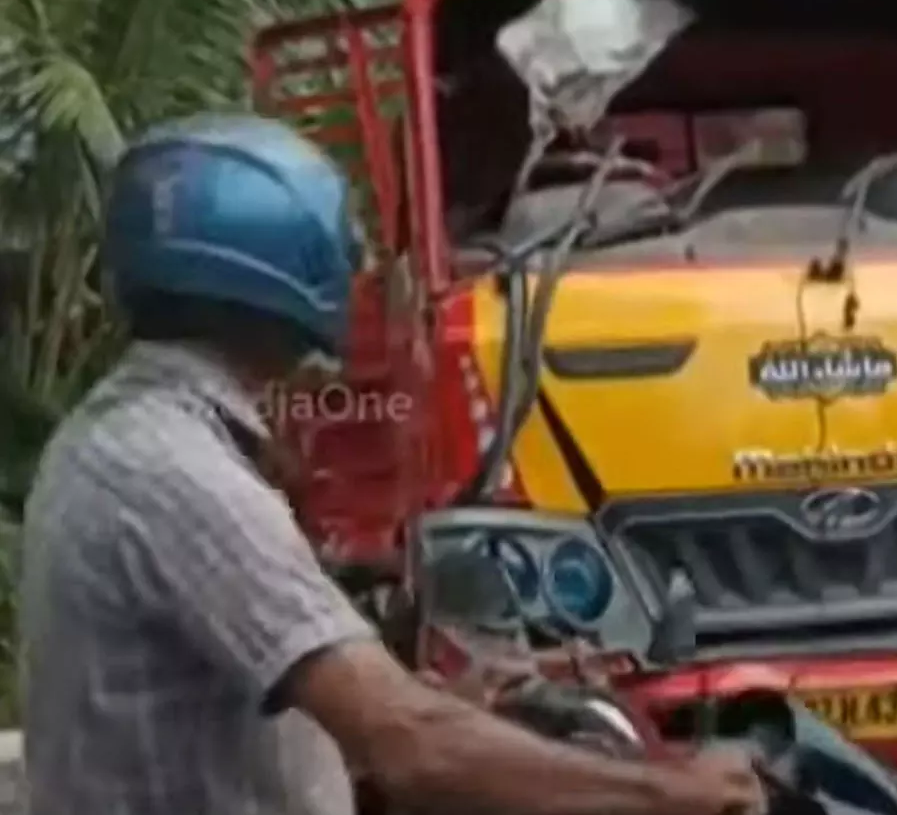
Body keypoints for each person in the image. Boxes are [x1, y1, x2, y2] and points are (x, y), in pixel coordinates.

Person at [20, 114, 767, 815]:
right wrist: (673, 792)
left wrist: (458, 717)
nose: (357, 274)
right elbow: (407, 744)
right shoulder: (176, 476)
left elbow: (239, 722)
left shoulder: (126, 442)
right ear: (287, 266)